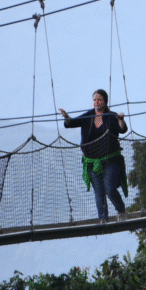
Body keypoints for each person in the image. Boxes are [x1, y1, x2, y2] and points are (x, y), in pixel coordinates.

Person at [59, 89, 129, 222]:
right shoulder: (88, 117)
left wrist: (121, 120)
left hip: (111, 159)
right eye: (95, 100)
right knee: (99, 192)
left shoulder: (112, 116)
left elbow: (123, 129)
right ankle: (103, 218)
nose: (97, 102)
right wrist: (66, 117)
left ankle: (121, 210)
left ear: (105, 101)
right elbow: (71, 123)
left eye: (100, 100)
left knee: (110, 188)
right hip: (92, 161)